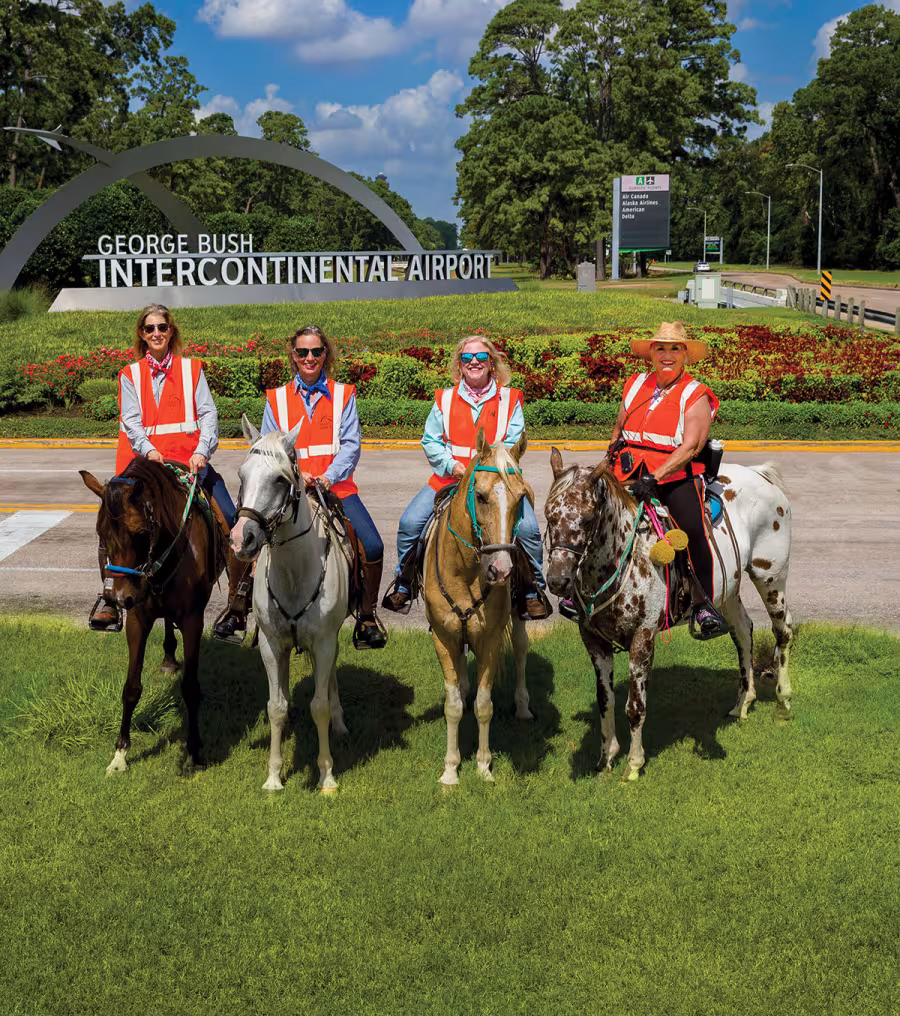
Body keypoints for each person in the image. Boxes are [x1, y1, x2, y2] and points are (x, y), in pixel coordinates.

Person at [90, 304, 241, 631]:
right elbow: (131, 422)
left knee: (229, 518)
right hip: (146, 468)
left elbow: (208, 415)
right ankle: (109, 597)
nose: (156, 333)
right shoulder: (130, 374)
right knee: (112, 521)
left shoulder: (192, 369)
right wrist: (150, 452)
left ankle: (235, 603)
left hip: (190, 465)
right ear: (142, 336)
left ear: (171, 331)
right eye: (149, 328)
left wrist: (202, 451)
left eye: (161, 327)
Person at [382, 335, 550, 619]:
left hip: (497, 484)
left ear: (492, 364)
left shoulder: (510, 399)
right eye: (467, 358)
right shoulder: (444, 399)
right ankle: (404, 582)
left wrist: (489, 472)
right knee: (410, 523)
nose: (474, 362)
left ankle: (531, 591)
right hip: (450, 480)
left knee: (530, 531)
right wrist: (452, 466)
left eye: (482, 357)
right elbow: (431, 441)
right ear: (459, 366)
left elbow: (512, 443)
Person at [255, 324, 387, 650]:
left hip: (335, 487)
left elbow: (351, 445)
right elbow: (270, 449)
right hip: (289, 490)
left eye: (316, 351)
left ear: (325, 354)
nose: (309, 357)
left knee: (372, 545)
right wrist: (298, 479)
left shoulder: (344, 394)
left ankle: (366, 617)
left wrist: (328, 476)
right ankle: (241, 607)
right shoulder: (276, 399)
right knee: (249, 535)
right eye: (302, 352)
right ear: (294, 356)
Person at [607, 321, 728, 638]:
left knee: (691, 531)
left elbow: (691, 447)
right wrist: (610, 456)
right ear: (651, 353)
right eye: (661, 348)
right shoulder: (635, 384)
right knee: (591, 514)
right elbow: (619, 426)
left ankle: (702, 605)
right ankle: (581, 589)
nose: (667, 355)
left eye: (675, 348)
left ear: (685, 354)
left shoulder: (695, 393)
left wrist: (654, 478)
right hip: (628, 469)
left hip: (674, 475)